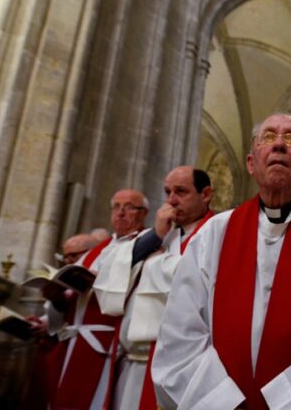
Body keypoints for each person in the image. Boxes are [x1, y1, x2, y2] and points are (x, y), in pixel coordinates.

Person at [153, 114, 291, 409]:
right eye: (269, 138)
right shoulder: (214, 233)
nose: (280, 145)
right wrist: (223, 402)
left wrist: (284, 400)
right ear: (250, 163)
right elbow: (181, 332)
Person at [97, 167, 214, 410]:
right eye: (168, 192)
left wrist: (159, 262)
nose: (171, 200)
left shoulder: (217, 231)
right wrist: (158, 234)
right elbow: (115, 268)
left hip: (186, 363)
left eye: (181, 192)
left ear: (205, 194)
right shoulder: (161, 234)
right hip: (136, 363)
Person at [51, 189, 150, 409]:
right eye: (116, 207)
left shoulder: (147, 243)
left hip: (106, 341)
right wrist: (56, 293)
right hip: (75, 338)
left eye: (129, 207)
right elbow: (70, 297)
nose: (121, 213)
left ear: (143, 213)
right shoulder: (98, 249)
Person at [26, 233, 98, 409]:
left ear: (92, 251)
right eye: (65, 256)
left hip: (89, 346)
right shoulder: (66, 279)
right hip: (64, 344)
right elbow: (59, 319)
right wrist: (55, 299)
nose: (68, 261)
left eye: (73, 255)